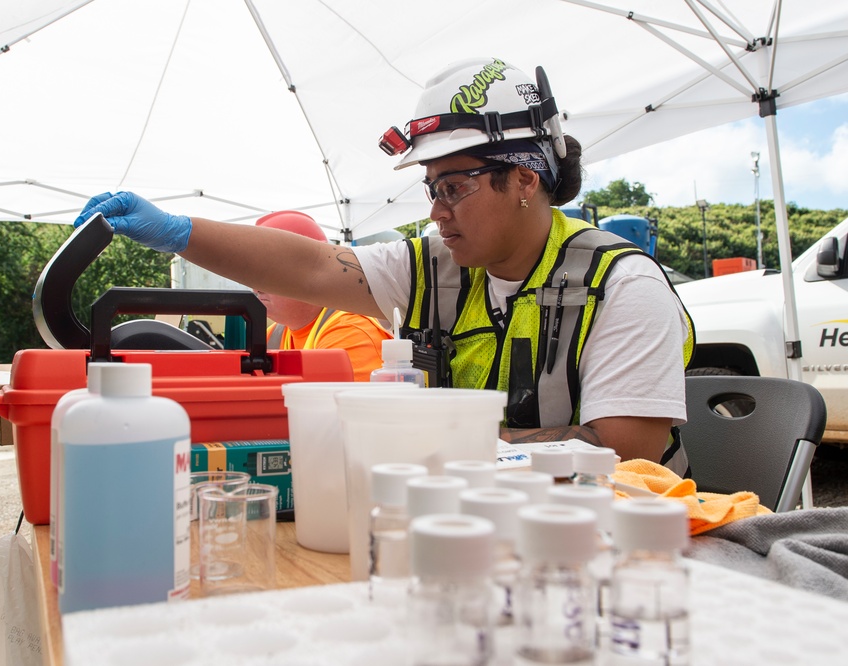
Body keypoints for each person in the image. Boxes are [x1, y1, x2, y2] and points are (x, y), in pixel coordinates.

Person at [74, 57, 694, 474]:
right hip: (475, 525)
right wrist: (177, 232)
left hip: (615, 545)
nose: (437, 212)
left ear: (524, 178)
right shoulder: (434, 267)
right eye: (431, 189)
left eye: (454, 187)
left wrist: (432, 443)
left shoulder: (621, 286)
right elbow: (314, 268)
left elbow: (625, 453)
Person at [254, 210, 392, 382]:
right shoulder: (273, 334)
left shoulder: (350, 332)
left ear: (309, 271)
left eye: (265, 271)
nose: (255, 286)